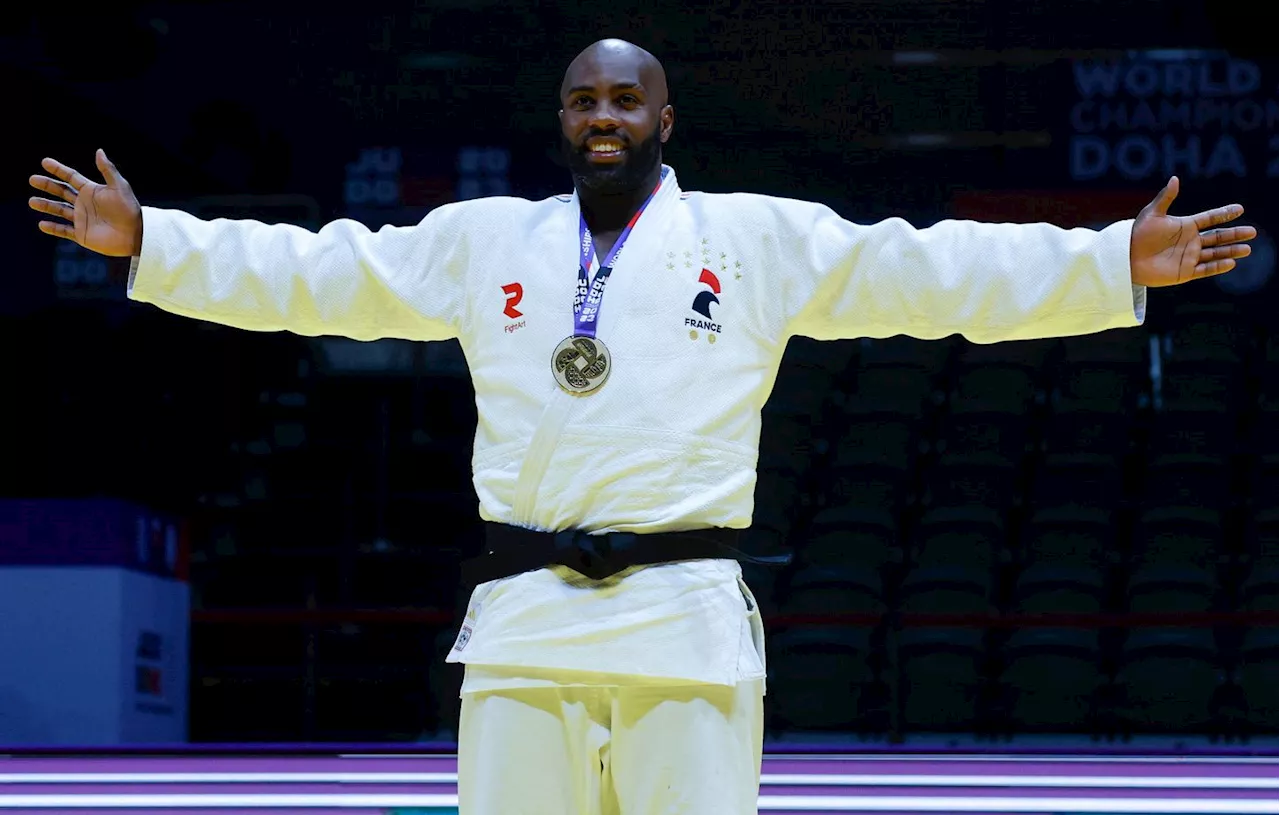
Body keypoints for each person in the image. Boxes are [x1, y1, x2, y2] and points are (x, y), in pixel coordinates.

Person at [29, 37, 1253, 815]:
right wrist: (157, 240)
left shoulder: (755, 239)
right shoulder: (485, 240)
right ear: (560, 119)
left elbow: (925, 275)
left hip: (682, 632)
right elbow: (318, 270)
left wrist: (1103, 259)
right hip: (522, 633)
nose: (600, 114)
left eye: (625, 97)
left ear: (666, 120)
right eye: (580, 100)